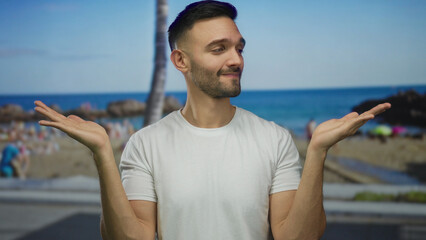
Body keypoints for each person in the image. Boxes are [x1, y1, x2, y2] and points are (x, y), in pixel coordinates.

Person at [34, 1, 391, 239]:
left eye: (239, 47)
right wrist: (101, 153)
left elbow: (296, 237)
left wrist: (317, 153)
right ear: (180, 61)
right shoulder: (146, 143)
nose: (237, 59)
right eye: (219, 49)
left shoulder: (275, 139)